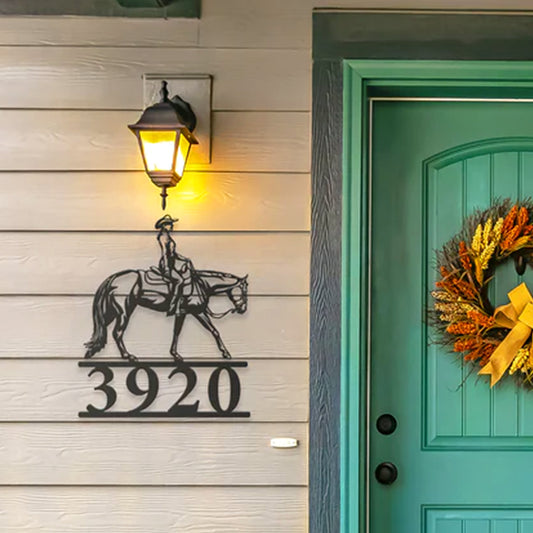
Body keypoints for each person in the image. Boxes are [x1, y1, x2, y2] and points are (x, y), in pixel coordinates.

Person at [155, 214, 195, 316]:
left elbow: (173, 254)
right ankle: (172, 306)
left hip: (171, 264)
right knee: (179, 280)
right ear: (164, 225)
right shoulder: (163, 237)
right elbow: (164, 253)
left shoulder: (168, 236)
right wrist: (167, 268)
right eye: (169, 224)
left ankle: (180, 303)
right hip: (167, 265)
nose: (171, 226)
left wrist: (185, 259)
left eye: (171, 224)